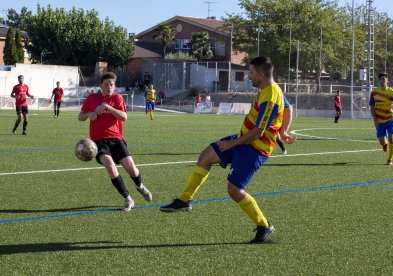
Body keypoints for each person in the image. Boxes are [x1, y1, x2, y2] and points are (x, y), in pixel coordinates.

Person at [160, 57, 296, 243]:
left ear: (262, 74)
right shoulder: (270, 89)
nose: (249, 77)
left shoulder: (271, 98)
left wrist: (232, 144)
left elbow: (258, 132)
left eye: (251, 73)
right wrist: (284, 130)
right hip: (243, 141)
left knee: (234, 190)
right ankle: (185, 200)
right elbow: (288, 109)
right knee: (206, 156)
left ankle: (264, 225)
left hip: (255, 148)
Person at [78, 72, 153, 211]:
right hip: (98, 142)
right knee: (110, 166)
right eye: (106, 84)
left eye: (111, 84)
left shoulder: (117, 98)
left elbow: (124, 117)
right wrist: (90, 114)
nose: (109, 87)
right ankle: (127, 198)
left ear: (114, 86)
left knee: (130, 167)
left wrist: (107, 107)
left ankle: (140, 186)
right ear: (101, 85)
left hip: (116, 139)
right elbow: (80, 116)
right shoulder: (92, 98)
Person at [369, 72, 393, 166]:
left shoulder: (392, 93)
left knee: (392, 139)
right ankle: (385, 144)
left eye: (384, 79)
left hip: (390, 119)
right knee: (382, 141)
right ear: (379, 81)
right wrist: (375, 120)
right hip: (379, 121)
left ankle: (390, 160)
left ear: (387, 81)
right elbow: (372, 108)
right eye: (381, 79)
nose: (382, 81)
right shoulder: (374, 92)